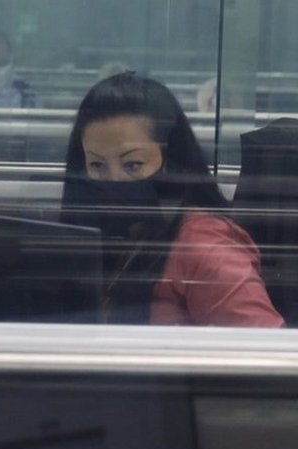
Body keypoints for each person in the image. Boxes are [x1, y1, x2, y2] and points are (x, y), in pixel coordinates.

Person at [59, 72, 283, 327]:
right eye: (97, 165)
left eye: (133, 165)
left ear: (170, 161)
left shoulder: (203, 244)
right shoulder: (129, 232)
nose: (114, 180)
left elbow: (265, 351)